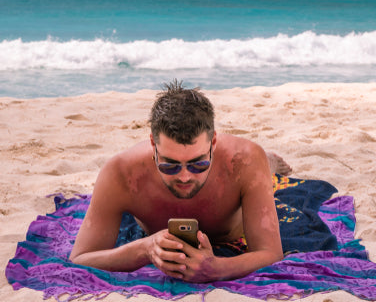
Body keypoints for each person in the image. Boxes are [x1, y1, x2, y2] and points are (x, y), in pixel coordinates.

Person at [69, 80, 292, 283]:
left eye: (198, 164)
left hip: (237, 203)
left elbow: (271, 253)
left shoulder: (245, 160)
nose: (185, 176)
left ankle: (270, 164)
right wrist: (146, 249)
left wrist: (218, 268)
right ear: (153, 145)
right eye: (170, 165)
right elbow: (80, 258)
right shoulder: (120, 173)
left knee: (262, 166)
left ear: (213, 143)